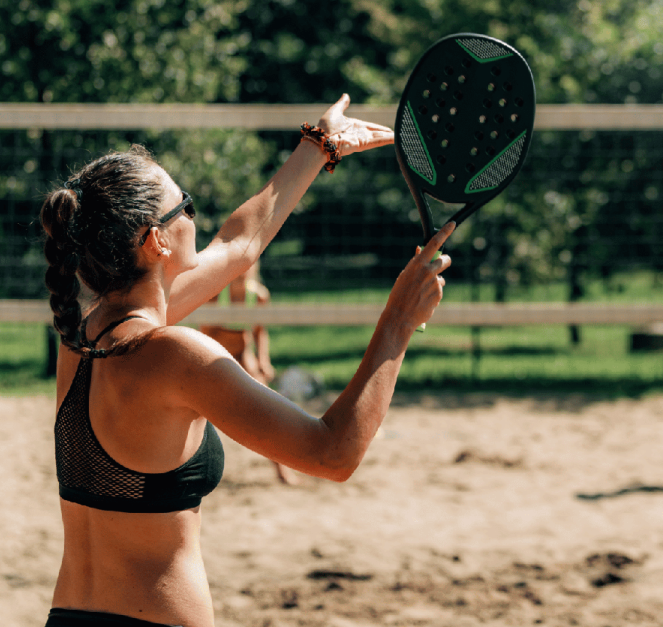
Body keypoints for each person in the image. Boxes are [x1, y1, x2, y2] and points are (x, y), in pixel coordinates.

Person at [39, 94, 455, 627]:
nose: (195, 212)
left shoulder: (84, 336)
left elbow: (239, 244)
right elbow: (333, 454)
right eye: (184, 204)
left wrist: (319, 145)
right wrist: (398, 321)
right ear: (156, 241)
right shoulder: (175, 355)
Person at [198, 262, 300, 484]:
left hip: (243, 353)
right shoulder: (216, 293)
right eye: (240, 264)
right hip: (214, 354)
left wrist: (263, 360)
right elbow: (204, 335)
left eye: (249, 265)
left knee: (268, 407)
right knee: (197, 410)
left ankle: (282, 470)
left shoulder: (259, 296)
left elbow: (259, 332)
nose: (244, 269)